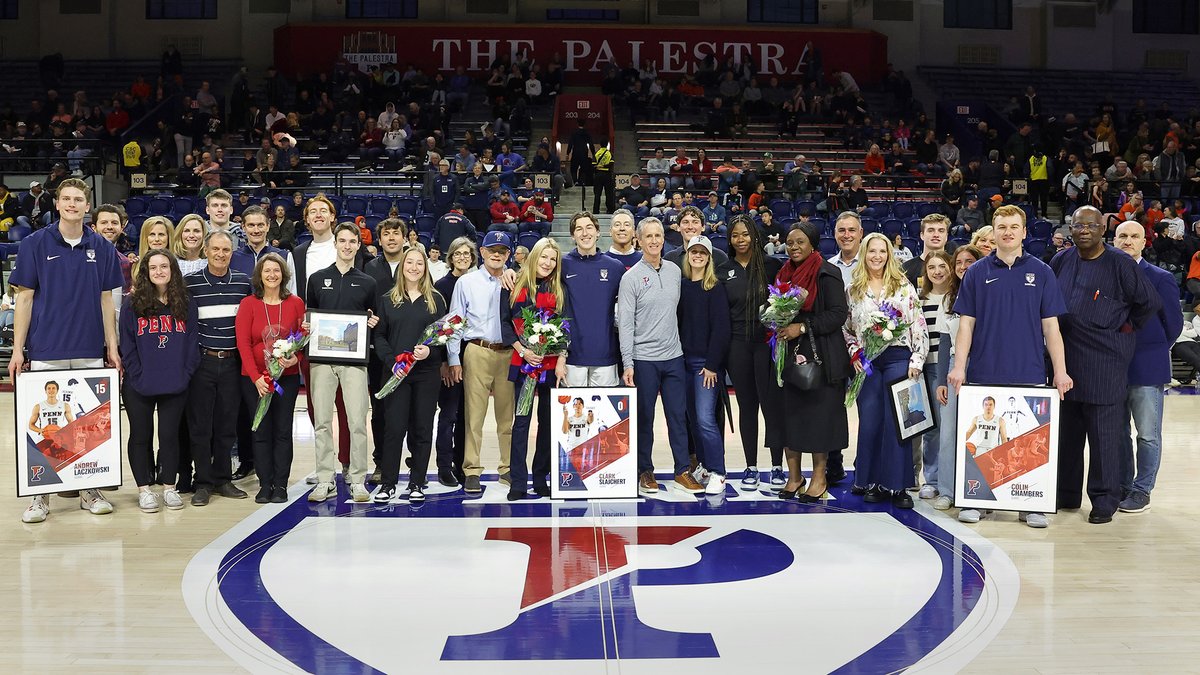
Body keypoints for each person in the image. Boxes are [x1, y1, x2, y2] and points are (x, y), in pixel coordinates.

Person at [948, 204, 1072, 528]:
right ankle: (978, 500)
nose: (1007, 232)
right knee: (988, 439)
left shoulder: (1042, 272)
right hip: (984, 372)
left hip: (1029, 371)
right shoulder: (976, 272)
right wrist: (959, 367)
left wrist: (1060, 371)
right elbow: (966, 326)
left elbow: (1052, 329)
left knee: (1023, 440)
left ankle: (1029, 505)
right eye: (1001, 226)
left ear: (1024, 232)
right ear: (993, 231)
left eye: (1013, 226)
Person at [10, 178, 124, 523]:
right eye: (66, 199)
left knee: (87, 424)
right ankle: (39, 496)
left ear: (87, 206)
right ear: (57, 204)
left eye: (79, 199)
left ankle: (89, 491)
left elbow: (108, 301)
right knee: (48, 424)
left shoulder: (102, 248)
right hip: (47, 346)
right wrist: (17, 349)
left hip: (89, 347)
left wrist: (112, 347)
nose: (73, 204)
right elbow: (24, 298)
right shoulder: (34, 243)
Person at [1049, 206, 1160, 524]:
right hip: (1065, 361)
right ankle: (1066, 494)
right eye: (1077, 225)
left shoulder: (1121, 263)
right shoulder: (1061, 260)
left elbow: (1148, 302)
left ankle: (1103, 500)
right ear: (1071, 229)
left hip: (1105, 360)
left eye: (1091, 225)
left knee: (1104, 437)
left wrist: (1123, 328)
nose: (1084, 229)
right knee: (1067, 434)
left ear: (1102, 230)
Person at [618, 217, 702, 495]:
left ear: (664, 239)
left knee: (678, 416)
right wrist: (628, 362)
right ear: (638, 241)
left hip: (673, 357)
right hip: (644, 360)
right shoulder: (630, 278)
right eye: (648, 236)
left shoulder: (675, 271)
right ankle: (645, 470)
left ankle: (682, 470)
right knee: (644, 418)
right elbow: (626, 323)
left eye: (658, 236)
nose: (654, 241)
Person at [844, 233, 928, 509]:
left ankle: (900, 485)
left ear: (889, 255)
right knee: (870, 421)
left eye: (882, 251)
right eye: (872, 251)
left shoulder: (903, 286)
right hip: (867, 360)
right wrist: (854, 350)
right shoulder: (854, 289)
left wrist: (917, 359)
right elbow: (847, 329)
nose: (877, 256)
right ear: (864, 254)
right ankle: (872, 482)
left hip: (897, 357)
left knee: (897, 422)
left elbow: (918, 324)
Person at [773, 222, 851, 502]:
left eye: (800, 242)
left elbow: (837, 314)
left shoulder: (827, 272)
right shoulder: (784, 273)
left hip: (822, 356)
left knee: (819, 420)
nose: (793, 247)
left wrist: (802, 327)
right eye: (789, 242)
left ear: (813, 243)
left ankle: (819, 479)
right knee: (790, 418)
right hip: (790, 356)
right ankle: (794, 477)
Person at [304, 223, 379, 503]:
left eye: (352, 242)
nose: (347, 246)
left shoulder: (368, 282)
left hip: (354, 364)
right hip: (322, 362)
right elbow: (311, 314)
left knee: (357, 420)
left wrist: (371, 322)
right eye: (342, 241)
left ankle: (358, 479)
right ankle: (325, 479)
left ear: (359, 245)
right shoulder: (317, 278)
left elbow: (372, 317)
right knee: (322, 421)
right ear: (335, 243)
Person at [120, 249, 199, 512]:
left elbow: (191, 343)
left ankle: (169, 487)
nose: (159, 271)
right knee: (141, 435)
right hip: (139, 384)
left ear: (172, 269)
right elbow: (127, 346)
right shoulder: (132, 303)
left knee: (169, 436)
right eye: (153, 267)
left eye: (164, 266)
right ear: (145, 272)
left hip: (175, 382)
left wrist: (185, 373)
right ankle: (144, 490)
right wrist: (137, 375)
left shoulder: (185, 300)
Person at [1113, 221, 1183, 513]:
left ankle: (1142, 490)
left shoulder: (1160, 277)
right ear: (1114, 240)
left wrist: (1151, 348)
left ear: (1144, 242)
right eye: (1123, 236)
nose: (1128, 241)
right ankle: (1124, 486)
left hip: (1146, 366)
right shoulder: (1105, 274)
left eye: (1134, 236)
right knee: (1118, 433)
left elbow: (1174, 325)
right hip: (1112, 367)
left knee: (1148, 433)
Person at [374, 247, 448, 503]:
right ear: (402, 266)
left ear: (426, 268)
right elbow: (379, 336)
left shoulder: (436, 300)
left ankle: (417, 482)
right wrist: (391, 359)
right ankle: (388, 483)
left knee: (422, 428)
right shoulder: (387, 299)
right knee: (394, 428)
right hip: (396, 373)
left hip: (426, 374)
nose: (414, 267)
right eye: (410, 263)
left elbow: (443, 338)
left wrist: (430, 351)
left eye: (419, 263)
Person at [183, 231, 251, 506]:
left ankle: (223, 479)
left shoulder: (244, 283)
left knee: (227, 424)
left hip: (233, 362)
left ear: (231, 253)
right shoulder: (191, 284)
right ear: (206, 250)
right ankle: (203, 482)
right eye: (216, 249)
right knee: (200, 426)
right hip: (203, 361)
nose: (221, 254)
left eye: (226, 250)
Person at [447, 231, 517, 494]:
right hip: (477, 350)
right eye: (492, 250)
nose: (497, 254)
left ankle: (507, 467)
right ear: (483, 252)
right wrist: (454, 358)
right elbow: (455, 322)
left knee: (506, 417)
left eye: (502, 250)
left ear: (508, 254)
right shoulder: (467, 282)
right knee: (473, 416)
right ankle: (472, 469)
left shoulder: (516, 280)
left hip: (509, 352)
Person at [501, 238, 571, 500]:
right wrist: (524, 351)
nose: (547, 263)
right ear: (534, 257)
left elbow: (565, 326)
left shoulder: (560, 288)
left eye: (552, 259)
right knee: (521, 423)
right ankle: (518, 482)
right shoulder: (513, 284)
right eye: (544, 257)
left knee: (548, 424)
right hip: (524, 364)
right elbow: (505, 324)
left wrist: (561, 359)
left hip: (551, 367)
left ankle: (541, 477)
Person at [234, 252, 304, 504]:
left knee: (283, 430)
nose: (272, 275)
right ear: (259, 275)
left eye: (276, 270)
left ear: (283, 275)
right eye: (267, 271)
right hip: (256, 381)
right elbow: (242, 344)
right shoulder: (249, 304)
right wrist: (256, 378)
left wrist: (296, 358)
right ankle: (265, 484)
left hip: (286, 379)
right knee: (261, 431)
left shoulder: (295, 303)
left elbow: (301, 340)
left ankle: (281, 485)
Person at [724, 215, 787, 489]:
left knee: (772, 406)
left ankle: (776, 466)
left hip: (767, 345)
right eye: (735, 235)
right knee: (747, 406)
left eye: (745, 234)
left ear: (755, 236)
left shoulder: (772, 266)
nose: (741, 239)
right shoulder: (724, 269)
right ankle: (751, 467)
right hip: (737, 347)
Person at [677, 235, 731, 494]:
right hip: (682, 362)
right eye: (693, 252)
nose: (697, 256)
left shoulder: (715, 288)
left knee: (705, 418)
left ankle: (719, 471)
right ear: (688, 255)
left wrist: (712, 365)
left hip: (705, 365)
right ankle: (705, 465)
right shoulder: (682, 286)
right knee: (692, 419)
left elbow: (721, 330)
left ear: (709, 258)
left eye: (702, 252)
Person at [931, 245, 983, 510]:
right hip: (953, 367)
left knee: (978, 433)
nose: (963, 266)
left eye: (969, 261)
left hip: (983, 365)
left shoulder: (988, 293)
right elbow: (943, 343)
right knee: (948, 431)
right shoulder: (948, 299)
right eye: (959, 262)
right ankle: (947, 490)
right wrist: (941, 380)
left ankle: (976, 491)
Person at [561, 212, 626, 387]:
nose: (585, 233)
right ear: (572, 236)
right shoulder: (561, 265)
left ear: (598, 232)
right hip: (572, 356)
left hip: (605, 354)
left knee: (604, 414)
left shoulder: (615, 267)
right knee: (574, 414)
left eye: (589, 228)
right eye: (579, 229)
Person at [432, 237, 476, 486]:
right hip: (449, 357)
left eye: (466, 253)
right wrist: (446, 361)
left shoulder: (476, 282)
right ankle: (444, 465)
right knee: (448, 414)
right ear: (450, 257)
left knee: (466, 416)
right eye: (457, 253)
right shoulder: (441, 285)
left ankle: (462, 463)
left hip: (471, 354)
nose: (462, 257)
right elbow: (440, 328)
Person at [915, 251, 955, 497]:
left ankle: (949, 479)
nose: (937, 271)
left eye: (942, 266)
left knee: (948, 426)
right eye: (932, 267)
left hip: (949, 368)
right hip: (927, 368)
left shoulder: (957, 297)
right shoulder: (920, 299)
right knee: (931, 427)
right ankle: (932, 479)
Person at [902, 213, 953, 286]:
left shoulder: (955, 266)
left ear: (946, 236)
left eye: (941, 231)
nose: (936, 235)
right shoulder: (906, 268)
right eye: (931, 230)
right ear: (922, 235)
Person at [592, 139, 615, 214]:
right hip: (607, 175)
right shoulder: (609, 153)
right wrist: (604, 166)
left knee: (597, 194)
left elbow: (593, 164)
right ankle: (610, 210)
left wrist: (599, 166)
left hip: (598, 175)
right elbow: (611, 163)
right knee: (609, 194)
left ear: (600, 144)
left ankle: (596, 211)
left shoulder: (597, 153)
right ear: (607, 144)